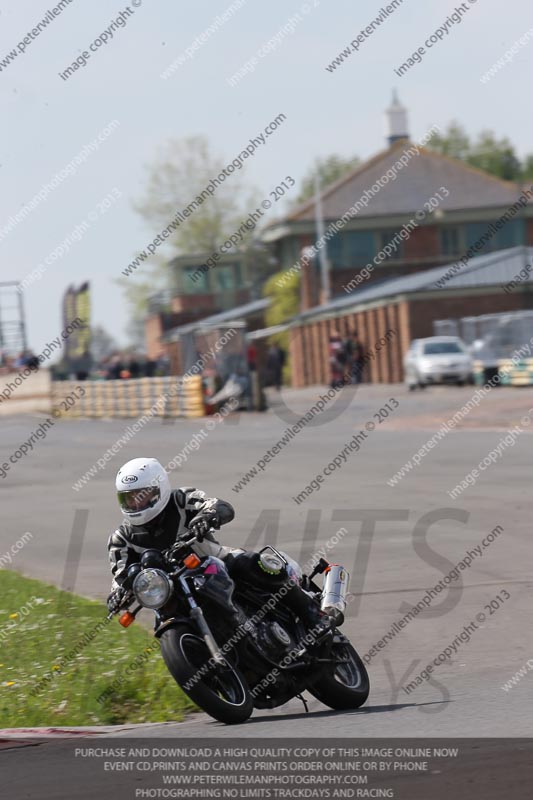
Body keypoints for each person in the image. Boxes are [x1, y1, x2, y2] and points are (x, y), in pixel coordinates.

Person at [106, 458, 333, 639]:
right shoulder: (122, 538)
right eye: (129, 500)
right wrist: (116, 594)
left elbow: (216, 505)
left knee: (258, 565)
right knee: (162, 627)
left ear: (159, 489)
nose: (136, 505)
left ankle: (313, 615)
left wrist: (207, 516)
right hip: (170, 591)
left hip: (214, 561)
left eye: (141, 497)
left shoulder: (180, 498)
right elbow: (121, 573)